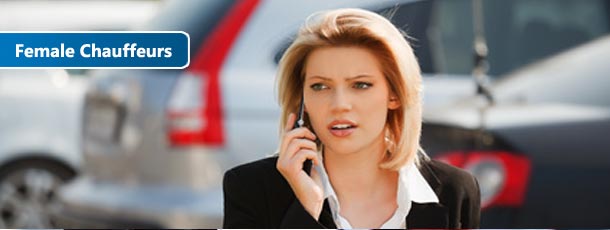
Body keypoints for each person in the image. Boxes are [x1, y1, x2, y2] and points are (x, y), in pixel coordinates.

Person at [223, 8, 480, 229]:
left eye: (360, 85)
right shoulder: (250, 189)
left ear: (395, 95)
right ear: (302, 101)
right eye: (320, 87)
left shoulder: (453, 191)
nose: (339, 105)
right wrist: (306, 209)